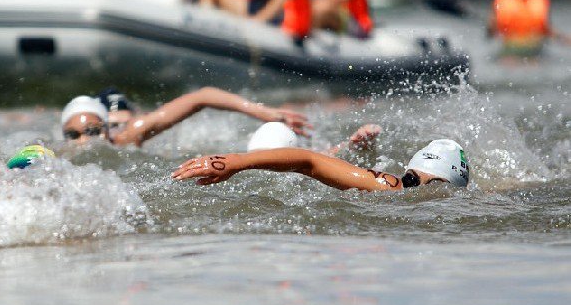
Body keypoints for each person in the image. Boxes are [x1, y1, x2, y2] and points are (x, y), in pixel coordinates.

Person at [173, 136, 469, 192]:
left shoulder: (393, 189)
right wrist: (237, 161)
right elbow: (308, 160)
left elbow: (310, 161)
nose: (413, 185)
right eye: (412, 179)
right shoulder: (391, 188)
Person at [60, 86, 310, 147]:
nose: (84, 141)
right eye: (73, 135)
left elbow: (202, 96)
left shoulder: (128, 134)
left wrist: (263, 111)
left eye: (92, 131)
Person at [487, 0, 571, 52]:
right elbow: (491, 32)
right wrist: (490, 27)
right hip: (511, 45)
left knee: (534, 62)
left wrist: (564, 39)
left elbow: (547, 29)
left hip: (534, 45)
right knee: (509, 61)